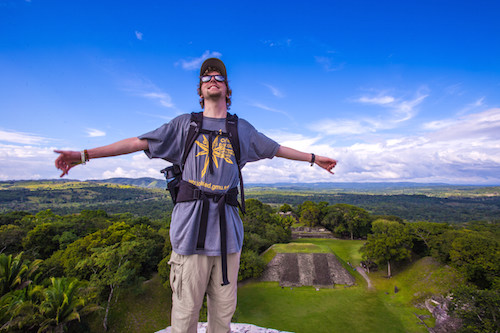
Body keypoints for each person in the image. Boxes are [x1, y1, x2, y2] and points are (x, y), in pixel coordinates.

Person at [54, 58, 337, 333]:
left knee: (223, 314)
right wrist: (84, 155)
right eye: (206, 77)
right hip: (190, 235)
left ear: (227, 88)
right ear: (200, 91)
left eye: (219, 76)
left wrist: (315, 159)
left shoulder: (241, 130)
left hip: (228, 238)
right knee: (185, 313)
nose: (212, 80)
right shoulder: (184, 126)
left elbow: (277, 149)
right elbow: (135, 142)